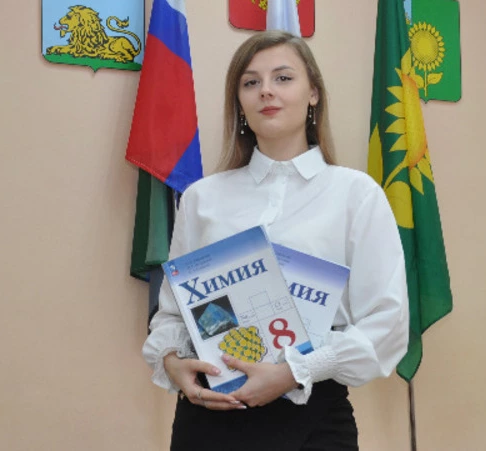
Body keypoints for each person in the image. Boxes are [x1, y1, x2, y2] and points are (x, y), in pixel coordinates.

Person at [142, 30, 409, 451]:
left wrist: (293, 372)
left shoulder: (356, 195)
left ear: (313, 93)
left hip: (313, 416)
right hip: (210, 415)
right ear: (239, 103)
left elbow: (387, 323)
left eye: (283, 78)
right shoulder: (201, 198)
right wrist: (172, 361)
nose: (266, 90)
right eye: (251, 82)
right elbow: (173, 315)